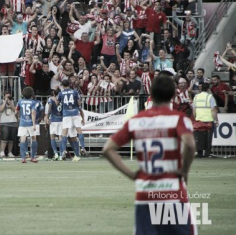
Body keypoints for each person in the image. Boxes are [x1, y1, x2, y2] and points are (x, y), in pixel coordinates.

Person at [102, 75, 196, 235]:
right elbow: (190, 143)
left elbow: (107, 149)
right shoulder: (179, 119)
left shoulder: (136, 121)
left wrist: (131, 174)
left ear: (151, 93)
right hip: (172, 191)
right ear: (174, 95)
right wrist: (185, 170)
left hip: (145, 192)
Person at [57, 79, 86, 161]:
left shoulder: (60, 93)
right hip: (75, 113)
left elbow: (58, 103)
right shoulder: (75, 92)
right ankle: (83, 147)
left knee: (64, 133)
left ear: (62, 85)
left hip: (66, 114)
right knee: (79, 131)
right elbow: (79, 103)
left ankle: (63, 151)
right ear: (69, 84)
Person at [192, 82, 218, 157]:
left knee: (200, 138)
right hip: (209, 120)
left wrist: (196, 118)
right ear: (208, 89)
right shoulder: (210, 97)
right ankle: (207, 153)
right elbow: (213, 110)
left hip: (199, 120)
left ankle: (199, 153)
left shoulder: (196, 97)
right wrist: (216, 120)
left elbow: (194, 110)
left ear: (200, 88)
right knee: (208, 138)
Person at [15, 86, 38, 163]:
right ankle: (33, 157)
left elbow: (16, 111)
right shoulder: (33, 102)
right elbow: (33, 113)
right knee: (34, 138)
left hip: (22, 122)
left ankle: (23, 158)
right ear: (31, 94)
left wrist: (18, 118)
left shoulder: (20, 101)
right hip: (30, 123)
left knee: (22, 139)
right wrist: (34, 124)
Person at [0, 91, 17, 158]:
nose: (8, 98)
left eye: (9, 96)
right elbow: (0, 109)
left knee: (11, 139)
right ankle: (2, 151)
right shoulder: (1, 102)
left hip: (13, 122)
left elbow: (16, 110)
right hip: (4, 122)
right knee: (4, 138)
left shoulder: (13, 102)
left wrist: (11, 104)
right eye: (6, 97)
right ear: (4, 96)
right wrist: (5, 102)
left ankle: (10, 152)